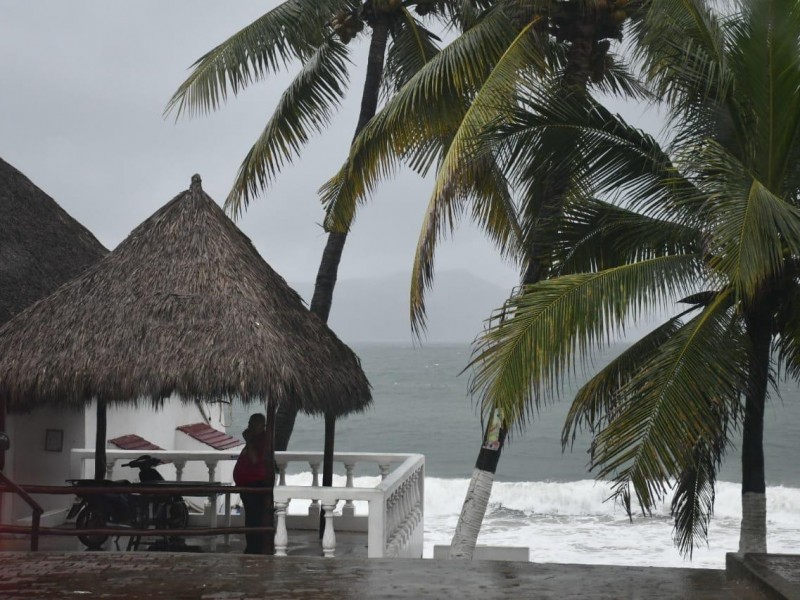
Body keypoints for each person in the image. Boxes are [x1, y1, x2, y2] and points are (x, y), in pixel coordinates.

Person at [233, 413, 268, 554]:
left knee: (254, 519)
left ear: (262, 426)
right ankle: (252, 547)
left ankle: (255, 548)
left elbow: (254, 459)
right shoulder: (255, 440)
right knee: (251, 518)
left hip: (256, 485)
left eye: (254, 424)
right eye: (249, 423)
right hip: (248, 485)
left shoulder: (262, 440)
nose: (250, 427)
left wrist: (248, 440)